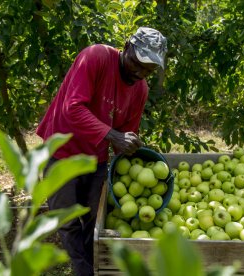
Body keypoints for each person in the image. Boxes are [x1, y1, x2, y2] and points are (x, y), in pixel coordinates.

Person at [36, 27, 167, 276]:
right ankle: (83, 268)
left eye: (148, 70)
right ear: (126, 46)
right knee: (66, 218)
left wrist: (133, 155)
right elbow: (72, 108)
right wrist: (114, 135)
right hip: (62, 151)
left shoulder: (140, 90)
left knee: (95, 218)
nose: (139, 73)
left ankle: (92, 265)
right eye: (136, 63)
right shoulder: (95, 56)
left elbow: (124, 137)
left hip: (95, 157)